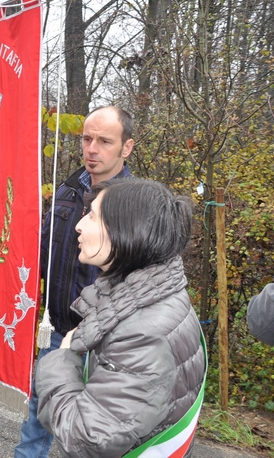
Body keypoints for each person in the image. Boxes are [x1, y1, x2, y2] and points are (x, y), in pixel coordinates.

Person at [35, 179, 205, 457]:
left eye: (92, 216)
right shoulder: (157, 294)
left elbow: (86, 438)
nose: (79, 225)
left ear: (125, 232)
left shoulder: (142, 335)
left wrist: (61, 361)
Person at [14, 105, 134, 458]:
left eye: (104, 141)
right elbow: (41, 253)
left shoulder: (132, 204)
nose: (92, 149)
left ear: (126, 147)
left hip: (106, 343)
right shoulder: (67, 192)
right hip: (57, 332)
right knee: (37, 421)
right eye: (86, 138)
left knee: (92, 437)